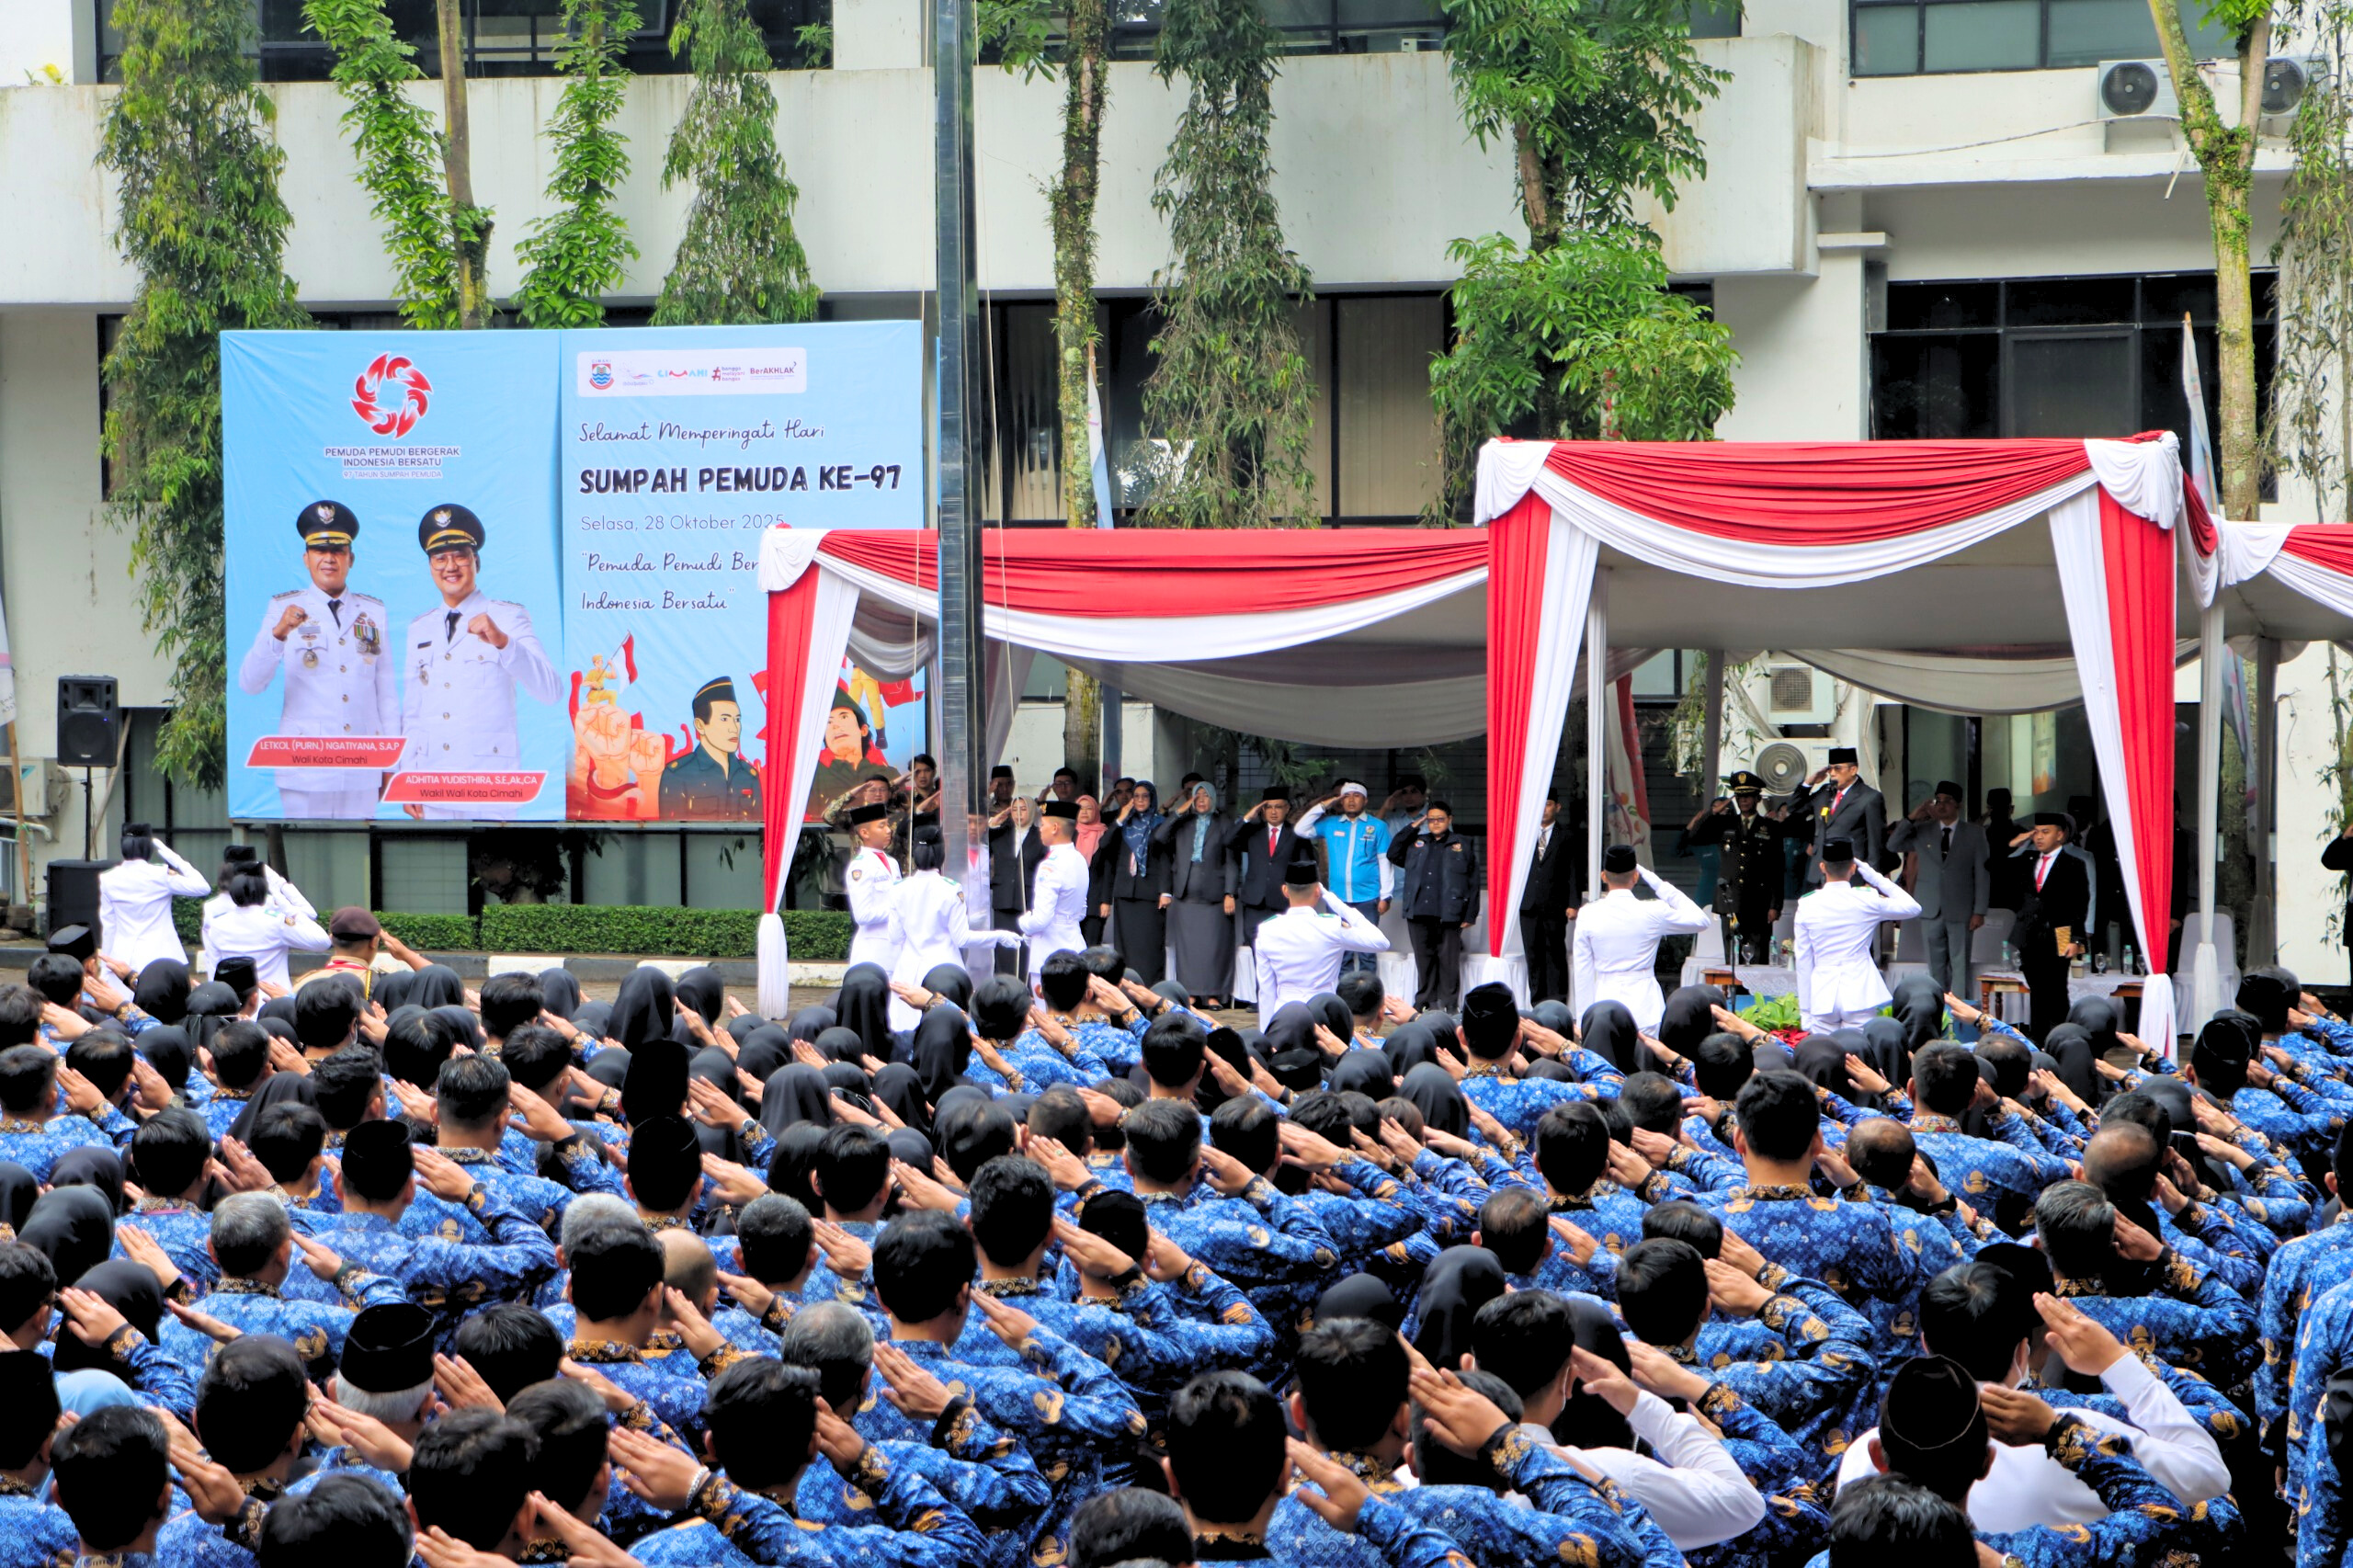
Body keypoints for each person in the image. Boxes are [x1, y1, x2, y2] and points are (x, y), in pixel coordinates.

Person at [396, 503, 561, 822]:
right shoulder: (420, 628)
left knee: (494, 870)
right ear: (430, 566)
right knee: (439, 869)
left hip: (488, 783)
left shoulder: (508, 616)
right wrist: (408, 776)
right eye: (440, 558)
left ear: (476, 561)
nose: (450, 566)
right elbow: (414, 711)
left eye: (459, 555)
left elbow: (551, 691)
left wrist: (503, 642)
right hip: (434, 783)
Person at [237, 498, 399, 819]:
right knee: (302, 861)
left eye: (338, 551)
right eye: (320, 551)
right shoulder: (282, 608)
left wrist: (390, 763)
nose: (329, 559)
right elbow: (250, 683)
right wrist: (279, 632)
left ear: (351, 559)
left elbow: (387, 695)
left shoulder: (373, 611)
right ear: (306, 559)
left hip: (361, 768)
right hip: (305, 768)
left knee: (359, 860)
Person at [1567, 844, 1708, 1032]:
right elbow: (1701, 920)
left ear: (1604, 876)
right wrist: (1657, 883)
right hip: (1645, 1005)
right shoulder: (1653, 911)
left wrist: (1584, 1019)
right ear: (1635, 877)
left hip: (1604, 1004)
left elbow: (1582, 970)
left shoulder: (1587, 914)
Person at [1793, 835, 1923, 1033]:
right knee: (1858, 1055)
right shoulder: (1866, 899)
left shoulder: (1807, 904)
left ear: (1822, 867)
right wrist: (1874, 876)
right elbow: (1912, 908)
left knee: (1826, 1058)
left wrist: (1806, 1010)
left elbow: (1803, 960)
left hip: (1823, 993)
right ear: (1853, 868)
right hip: (1859, 991)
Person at [1887, 779, 1990, 1000]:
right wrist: (1911, 817)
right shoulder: (1923, 830)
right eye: (1938, 801)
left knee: (1959, 963)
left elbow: (1982, 873)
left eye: (1948, 801)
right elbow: (1892, 845)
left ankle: (1960, 1012)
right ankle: (1937, 1010)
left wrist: (1979, 910)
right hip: (1930, 906)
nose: (1942, 806)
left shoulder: (1974, 833)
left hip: (1961, 908)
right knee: (1935, 963)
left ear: (1958, 805)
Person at [1254, 865, 1392, 1028]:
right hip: (1325, 1015)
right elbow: (1380, 942)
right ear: (1318, 892)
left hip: (1285, 1014)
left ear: (1285, 890)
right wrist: (1333, 900)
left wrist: (1267, 1033)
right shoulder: (1331, 926)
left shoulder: (1267, 929)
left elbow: (1266, 991)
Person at [1683, 770, 1791, 964]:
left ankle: (1752, 995)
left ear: (1758, 798)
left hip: (1759, 900)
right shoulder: (1725, 823)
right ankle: (1733, 994)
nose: (1744, 801)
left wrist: (1775, 905)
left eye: (1748, 796)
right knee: (1732, 956)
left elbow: (1777, 868)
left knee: (1758, 955)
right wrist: (1713, 813)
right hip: (1730, 899)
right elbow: (1694, 837)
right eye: (1740, 796)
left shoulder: (1770, 827)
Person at [1294, 782, 1395, 981]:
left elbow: (1385, 862)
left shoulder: (1377, 826)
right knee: (1341, 950)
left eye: (1356, 796)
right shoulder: (1331, 824)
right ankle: (1344, 996)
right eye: (1346, 796)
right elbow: (1300, 829)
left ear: (1365, 801)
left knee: (1367, 950)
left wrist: (1386, 895)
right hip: (1338, 900)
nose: (1351, 800)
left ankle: (1367, 997)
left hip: (1368, 897)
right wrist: (1325, 805)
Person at [1386, 800, 1481, 1010]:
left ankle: (1449, 1003)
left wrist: (1470, 914)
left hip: (1450, 912)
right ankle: (1425, 1001)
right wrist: (1413, 826)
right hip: (1420, 910)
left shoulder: (1462, 843)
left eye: (1440, 819)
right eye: (1431, 820)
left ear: (1450, 820)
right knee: (1424, 959)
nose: (1435, 823)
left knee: (1448, 961)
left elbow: (1473, 881)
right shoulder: (1417, 843)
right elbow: (1393, 852)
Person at [2008, 812, 2090, 1040]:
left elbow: (2080, 904)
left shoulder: (2074, 864)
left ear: (2060, 835)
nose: (2039, 837)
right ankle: (2038, 1038)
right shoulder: (2027, 860)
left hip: (2061, 932)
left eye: (2046, 832)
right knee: (2037, 989)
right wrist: (2016, 843)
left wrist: (2077, 940)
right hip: (2028, 934)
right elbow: (1994, 865)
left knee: (2056, 989)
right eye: (2036, 832)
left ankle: (2061, 1037)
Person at [1155, 779, 1235, 1007]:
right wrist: (1180, 811)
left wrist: (1230, 892)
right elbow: (1160, 837)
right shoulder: (1183, 822)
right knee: (1188, 948)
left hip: (1214, 895)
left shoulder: (1223, 823)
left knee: (1213, 947)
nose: (1201, 801)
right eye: (1196, 796)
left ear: (1213, 799)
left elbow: (1232, 861)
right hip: (1185, 893)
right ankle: (1188, 993)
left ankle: (1212, 994)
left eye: (1205, 796)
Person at [96, 824, 210, 973]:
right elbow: (203, 887)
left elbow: (109, 927)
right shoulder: (160, 875)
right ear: (148, 848)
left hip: (124, 960)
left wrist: (107, 968)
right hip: (162, 958)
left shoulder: (108, 879)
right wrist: (172, 856)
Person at [202, 866, 331, 992]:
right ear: (263, 892)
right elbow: (322, 942)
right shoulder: (276, 922)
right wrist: (282, 891)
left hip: (237, 1002)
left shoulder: (217, 925)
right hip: (275, 1000)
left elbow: (214, 969)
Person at [1776, 745, 1886, 888]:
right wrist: (1809, 783)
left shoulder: (1869, 797)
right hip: (1819, 872)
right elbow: (1794, 808)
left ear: (1853, 770)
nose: (1832, 773)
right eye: (1830, 769)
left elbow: (1876, 844)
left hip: (1850, 874)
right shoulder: (1825, 792)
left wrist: (1872, 880)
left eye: (1838, 769)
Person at [661, 676, 762, 821]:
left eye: (737, 720)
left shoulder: (748, 775)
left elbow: (761, 834)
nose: (734, 728)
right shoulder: (677, 775)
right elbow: (669, 835)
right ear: (700, 726)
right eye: (724, 719)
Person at [1098, 782, 1171, 985]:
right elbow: (1104, 846)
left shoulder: (1159, 823)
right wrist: (1121, 818)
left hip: (1150, 893)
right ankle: (1127, 987)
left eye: (1144, 796)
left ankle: (1150, 987)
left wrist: (1166, 891)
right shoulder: (1124, 825)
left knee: (1149, 944)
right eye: (1136, 796)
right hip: (1125, 892)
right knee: (1126, 945)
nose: (1140, 800)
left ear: (1152, 798)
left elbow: (1165, 859)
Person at [1230, 787, 1318, 954]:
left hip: (1284, 901)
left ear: (1287, 808)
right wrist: (1248, 817)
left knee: (1284, 949)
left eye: (1278, 807)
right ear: (1262, 809)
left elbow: (1307, 865)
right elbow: (1228, 840)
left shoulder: (1296, 833)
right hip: (1255, 901)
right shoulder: (1252, 831)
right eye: (1269, 807)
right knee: (1256, 948)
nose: (1273, 812)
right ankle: (1260, 982)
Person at [1515, 790, 1578, 1003]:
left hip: (1555, 904)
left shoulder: (1567, 836)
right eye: (1539, 804)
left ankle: (1558, 999)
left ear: (1557, 807)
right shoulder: (1523, 834)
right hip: (1528, 903)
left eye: (1548, 804)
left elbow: (1573, 871)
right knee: (1533, 954)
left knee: (1555, 953)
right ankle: (1537, 1000)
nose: (1543, 809)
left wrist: (1573, 903)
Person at [1019, 801, 1092, 986]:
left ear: (1055, 828)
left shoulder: (1050, 865)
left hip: (1049, 952)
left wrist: (1024, 922)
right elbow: (1082, 910)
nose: (1040, 830)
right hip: (1075, 945)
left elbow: (1041, 920)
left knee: (1048, 1013)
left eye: (1043, 825)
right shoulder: (1079, 859)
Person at [843, 800, 904, 973]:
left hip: (895, 949)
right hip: (873, 951)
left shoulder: (892, 862)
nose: (888, 830)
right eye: (881, 826)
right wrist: (898, 909)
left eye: (888, 825)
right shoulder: (860, 866)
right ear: (865, 833)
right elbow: (863, 915)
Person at [990, 794, 1046, 977]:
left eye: (1023, 809)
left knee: (1025, 947)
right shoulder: (1001, 832)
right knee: (1004, 947)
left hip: (1028, 899)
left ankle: (1025, 985)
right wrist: (992, 824)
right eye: (1015, 809)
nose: (1018, 814)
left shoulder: (1040, 836)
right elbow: (980, 841)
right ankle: (1003, 984)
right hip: (1003, 898)